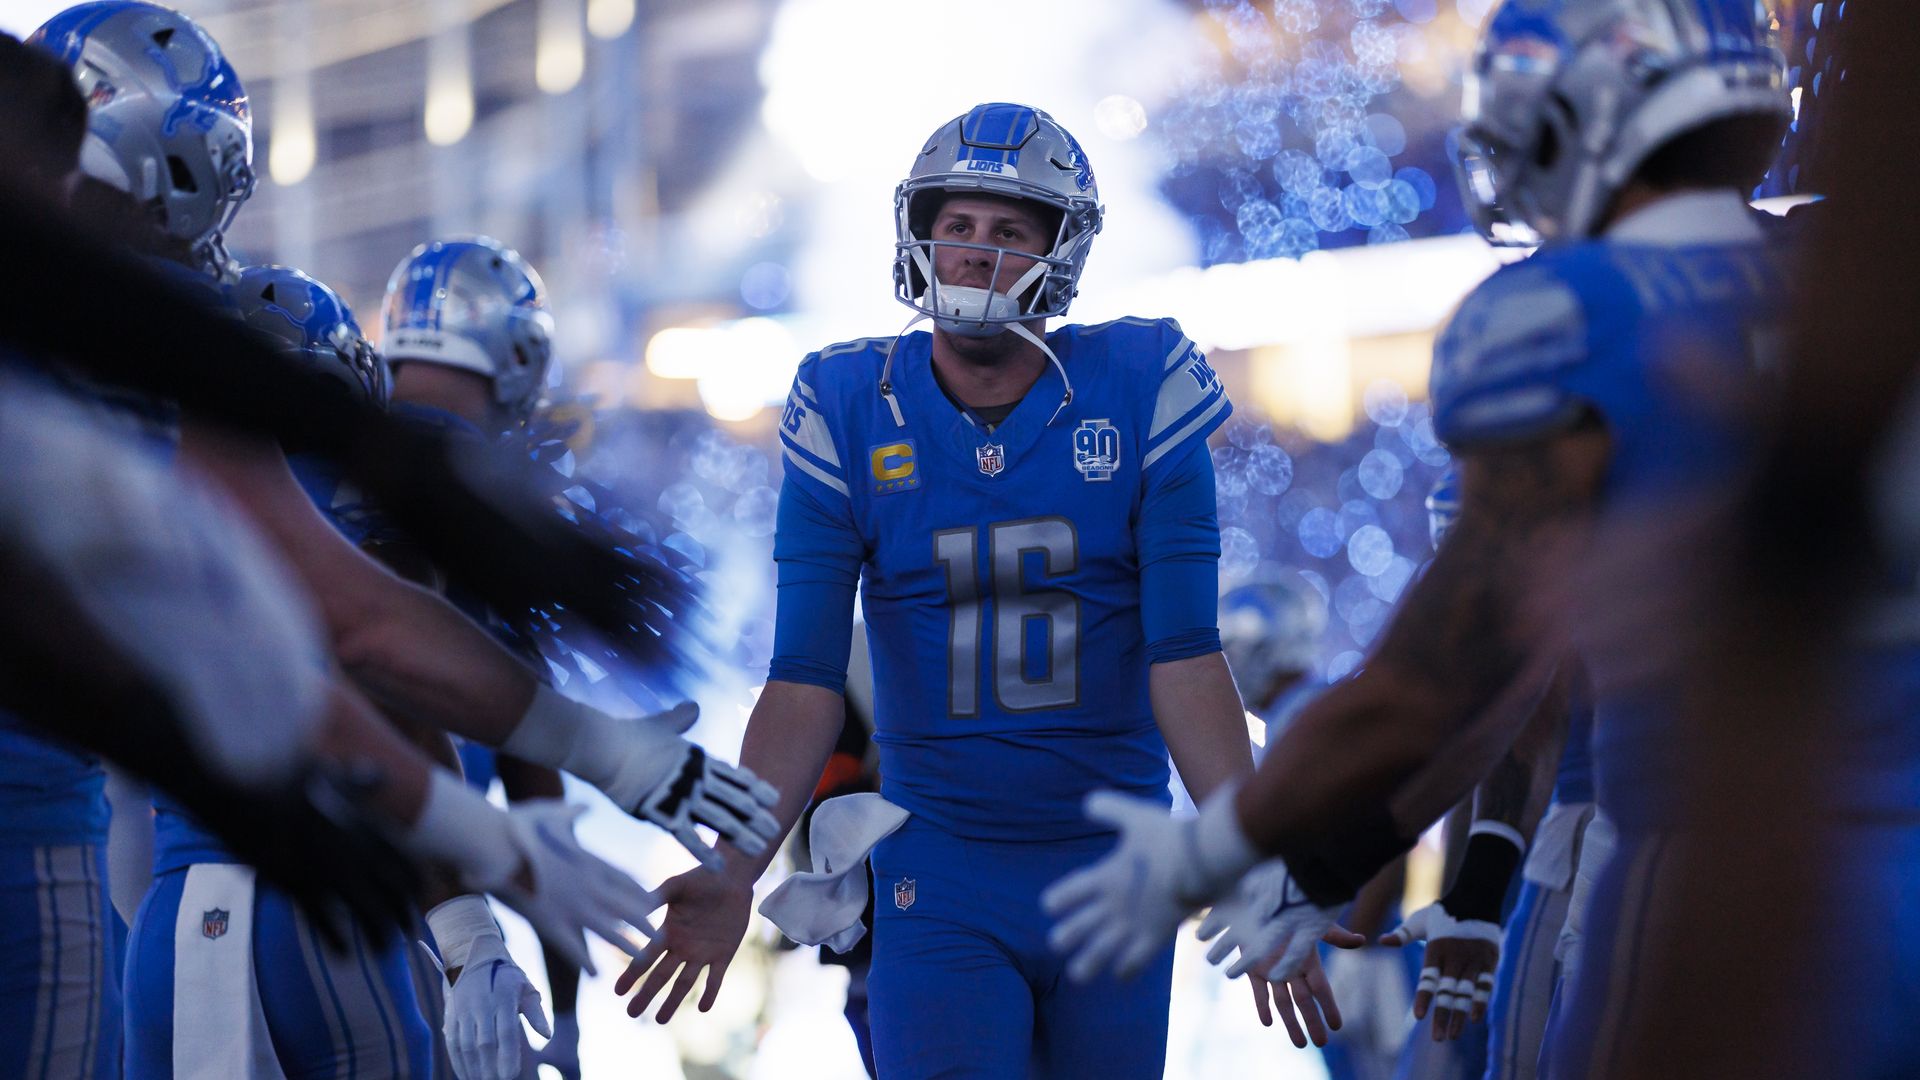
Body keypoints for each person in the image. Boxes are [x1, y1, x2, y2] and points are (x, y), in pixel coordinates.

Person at [1040, 6, 1876, 1077]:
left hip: (1703, 854)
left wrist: (1244, 849)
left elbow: (1458, 685)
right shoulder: (1862, 283)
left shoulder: (1566, 317)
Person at [616, 102, 1339, 1076]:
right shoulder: (847, 403)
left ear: (1061, 252)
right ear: (920, 232)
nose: (975, 253)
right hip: (940, 870)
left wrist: (1249, 856)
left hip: (1117, 871)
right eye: (957, 225)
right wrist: (735, 866)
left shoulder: (1140, 381)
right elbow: (802, 680)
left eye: (1008, 232)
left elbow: (1184, 657)